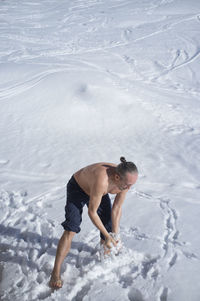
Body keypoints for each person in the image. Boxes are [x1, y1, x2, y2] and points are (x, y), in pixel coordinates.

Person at [49, 156, 138, 289]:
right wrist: (108, 236)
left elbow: (117, 208)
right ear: (117, 178)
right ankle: (55, 273)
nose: (129, 188)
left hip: (97, 192)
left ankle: (105, 260)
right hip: (78, 188)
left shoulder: (124, 180)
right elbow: (92, 212)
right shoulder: (102, 180)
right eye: (128, 185)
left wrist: (114, 234)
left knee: (108, 226)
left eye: (132, 185)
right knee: (71, 228)